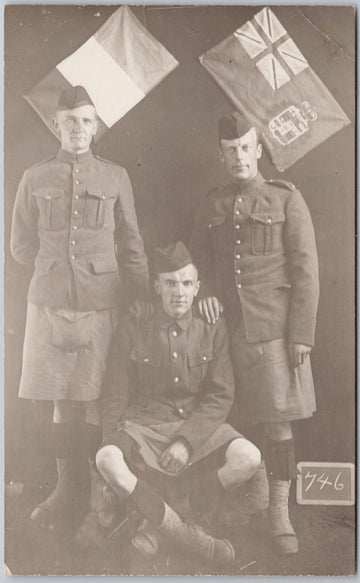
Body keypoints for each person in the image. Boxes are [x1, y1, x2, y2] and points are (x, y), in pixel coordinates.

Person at [10, 85, 149, 530]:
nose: (78, 130)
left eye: (86, 121)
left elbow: (131, 243)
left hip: (99, 304)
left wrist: (142, 295)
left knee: (91, 401)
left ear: (96, 126)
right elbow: (19, 245)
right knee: (59, 400)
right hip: (48, 303)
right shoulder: (34, 177)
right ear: (56, 125)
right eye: (70, 122)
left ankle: (93, 494)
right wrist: (54, 269)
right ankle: (64, 488)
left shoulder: (115, 176)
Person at [189, 112, 319, 554]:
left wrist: (301, 332)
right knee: (224, 418)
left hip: (273, 332)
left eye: (246, 147)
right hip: (225, 331)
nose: (239, 156)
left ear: (259, 151)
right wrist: (204, 290)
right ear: (221, 155)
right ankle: (247, 501)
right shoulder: (212, 203)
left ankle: (279, 513)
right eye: (231, 150)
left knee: (277, 421)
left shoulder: (286, 199)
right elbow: (199, 261)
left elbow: (306, 270)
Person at [96, 241, 261, 564]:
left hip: (196, 425)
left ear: (198, 287)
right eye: (170, 283)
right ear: (156, 287)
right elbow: (115, 392)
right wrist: (112, 441)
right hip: (145, 425)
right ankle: (188, 537)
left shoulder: (212, 326)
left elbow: (221, 394)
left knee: (249, 457)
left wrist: (187, 441)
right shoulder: (134, 323)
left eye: (187, 283)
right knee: (106, 458)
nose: (179, 292)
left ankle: (159, 527)